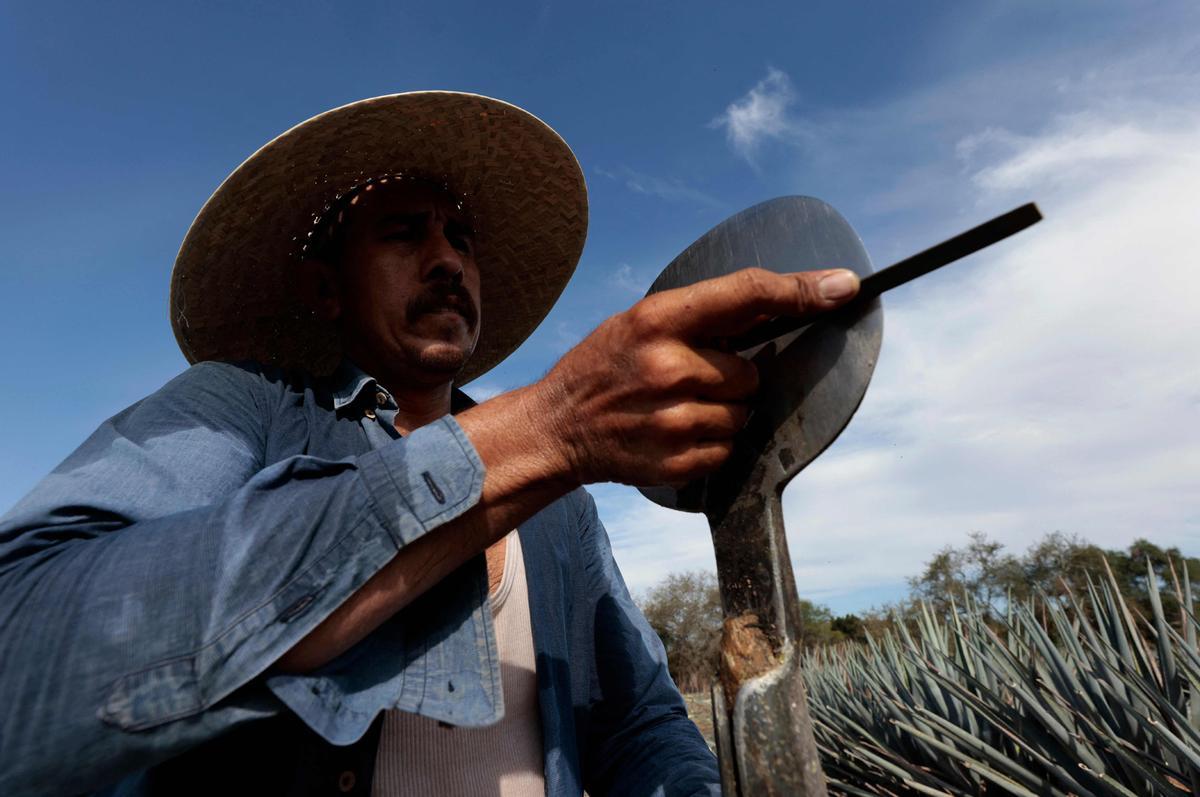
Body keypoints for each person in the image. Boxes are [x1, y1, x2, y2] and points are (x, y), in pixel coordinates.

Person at [0, 92, 860, 796]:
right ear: (326, 289)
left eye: (462, 237)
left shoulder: (563, 511)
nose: (447, 258)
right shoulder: (243, 415)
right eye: (405, 233)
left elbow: (635, 721)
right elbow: (22, 646)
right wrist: (551, 425)